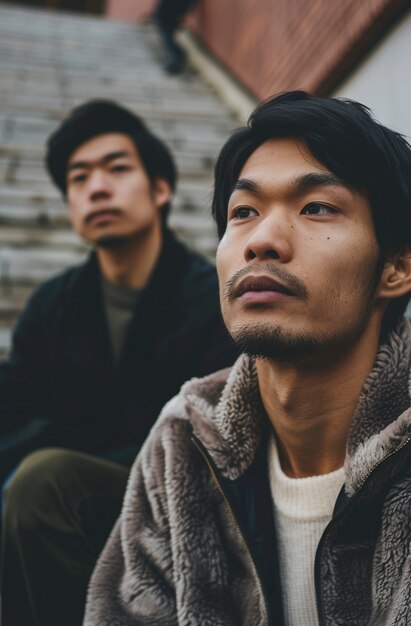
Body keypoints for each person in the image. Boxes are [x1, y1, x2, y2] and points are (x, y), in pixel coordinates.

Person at [85, 90, 411, 626]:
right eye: (243, 212)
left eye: (316, 207)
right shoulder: (185, 441)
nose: (261, 240)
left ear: (398, 267)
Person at [0, 99, 237, 626]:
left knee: (43, 479)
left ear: (161, 190)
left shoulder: (216, 299)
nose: (97, 187)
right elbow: (13, 413)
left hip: (185, 507)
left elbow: (220, 436)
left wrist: (69, 441)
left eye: (117, 168)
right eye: (79, 178)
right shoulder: (52, 306)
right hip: (74, 505)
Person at [153, 0, 197, 74]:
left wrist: (182, 13)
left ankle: (178, 58)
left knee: (167, 38)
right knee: (167, 37)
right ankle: (176, 58)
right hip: (169, 12)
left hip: (168, 13)